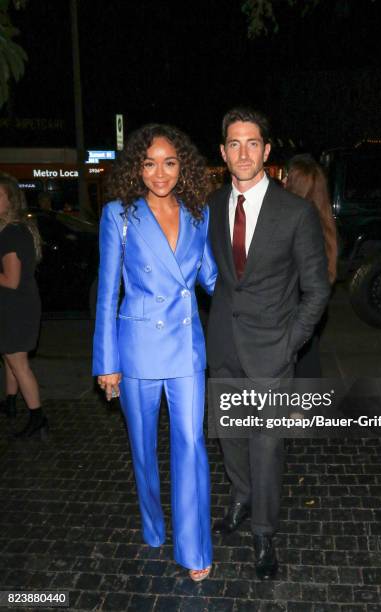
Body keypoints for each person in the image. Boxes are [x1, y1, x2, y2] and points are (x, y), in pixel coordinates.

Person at [207, 108, 330, 579]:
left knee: (267, 446)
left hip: (272, 354)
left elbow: (317, 290)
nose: (243, 152)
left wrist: (290, 344)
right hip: (223, 346)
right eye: (234, 144)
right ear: (222, 152)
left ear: (266, 150)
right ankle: (241, 496)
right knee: (230, 438)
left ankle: (264, 530)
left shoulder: (295, 212)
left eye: (252, 143)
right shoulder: (215, 205)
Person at [92, 124, 217, 581]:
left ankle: (195, 547)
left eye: (169, 162)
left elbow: (211, 279)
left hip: (185, 348)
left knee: (191, 444)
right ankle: (152, 523)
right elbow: (108, 293)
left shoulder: (198, 215)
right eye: (149, 163)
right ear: (137, 168)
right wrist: (107, 363)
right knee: (143, 448)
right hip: (138, 350)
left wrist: (256, 290)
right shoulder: (118, 215)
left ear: (182, 166)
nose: (159, 172)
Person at [0, 174, 46, 437]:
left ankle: (37, 417)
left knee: (18, 362)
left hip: (16, 308)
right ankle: (10, 403)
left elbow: (11, 279)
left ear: (11, 201)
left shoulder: (10, 234)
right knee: (10, 356)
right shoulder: (16, 229)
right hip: (19, 305)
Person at [284, 155, 338, 377]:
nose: (284, 180)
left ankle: (299, 410)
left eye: (287, 176)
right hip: (312, 307)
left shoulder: (297, 222)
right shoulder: (324, 220)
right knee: (308, 358)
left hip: (295, 307)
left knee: (300, 365)